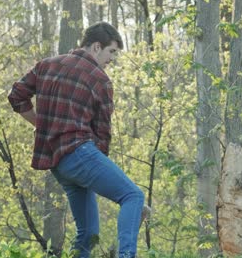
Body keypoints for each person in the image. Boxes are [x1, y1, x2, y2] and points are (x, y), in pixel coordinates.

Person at [8, 22, 144, 258]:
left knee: (88, 233)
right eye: (111, 52)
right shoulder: (100, 79)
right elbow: (102, 136)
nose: (112, 59)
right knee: (133, 196)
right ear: (96, 47)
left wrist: (43, 125)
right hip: (81, 154)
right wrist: (98, 167)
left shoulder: (47, 65)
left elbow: (16, 95)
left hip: (58, 164)